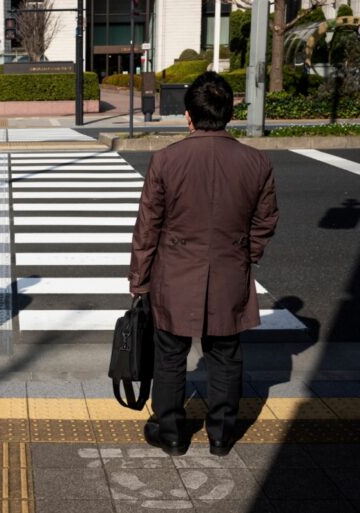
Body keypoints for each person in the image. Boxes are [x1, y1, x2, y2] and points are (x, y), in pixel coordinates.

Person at [128, 72, 278, 457]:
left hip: (174, 274)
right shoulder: (256, 162)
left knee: (170, 356)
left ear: (188, 116)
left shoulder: (166, 160)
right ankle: (222, 436)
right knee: (226, 355)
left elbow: (148, 227)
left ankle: (172, 432)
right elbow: (265, 220)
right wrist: (246, 255)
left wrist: (139, 281)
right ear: (229, 113)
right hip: (230, 271)